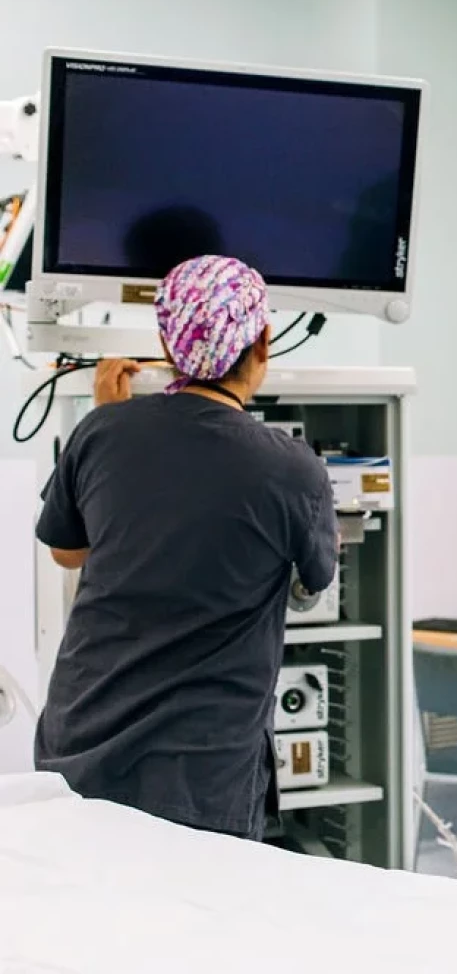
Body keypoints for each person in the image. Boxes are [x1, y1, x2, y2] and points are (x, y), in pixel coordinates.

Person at [33, 254, 339, 840]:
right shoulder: (290, 468)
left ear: (172, 343)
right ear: (263, 343)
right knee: (194, 921)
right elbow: (314, 582)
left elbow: (68, 554)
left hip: (83, 735)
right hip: (200, 765)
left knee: (83, 915)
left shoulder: (103, 431)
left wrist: (112, 426)